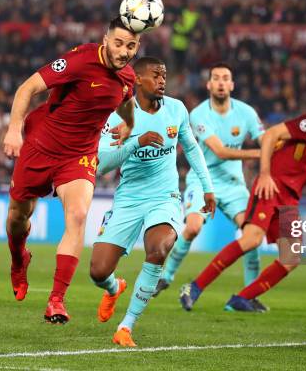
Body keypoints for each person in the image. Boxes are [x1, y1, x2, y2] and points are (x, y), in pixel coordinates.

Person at [3, 16, 139, 323]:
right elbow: (28, 88)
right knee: (17, 218)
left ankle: (56, 301)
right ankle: (18, 259)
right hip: (40, 146)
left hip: (78, 156)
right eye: (118, 43)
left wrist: (129, 124)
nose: (124, 51)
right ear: (106, 41)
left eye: (130, 46)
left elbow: (126, 99)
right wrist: (14, 129)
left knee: (78, 216)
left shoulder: (127, 76)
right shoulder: (79, 60)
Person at [180, 88, 306, 312]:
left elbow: (305, 159)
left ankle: (241, 299)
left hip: (290, 196)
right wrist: (265, 174)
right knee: (251, 240)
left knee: (291, 258)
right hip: (271, 185)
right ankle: (194, 287)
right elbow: (270, 135)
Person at [90, 57, 215, 347]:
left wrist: (208, 188)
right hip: (129, 199)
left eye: (164, 75)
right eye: (155, 76)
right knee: (98, 271)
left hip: (165, 196)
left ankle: (126, 327)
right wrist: (136, 141)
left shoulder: (176, 109)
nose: (162, 81)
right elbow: (101, 164)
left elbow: (193, 150)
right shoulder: (120, 116)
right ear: (137, 80)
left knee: (158, 249)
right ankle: (113, 288)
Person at [154, 63, 265, 310]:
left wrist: (274, 145)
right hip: (203, 181)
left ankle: (248, 295)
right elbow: (221, 151)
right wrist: (262, 153)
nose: (221, 83)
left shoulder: (246, 112)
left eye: (226, 78)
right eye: (216, 78)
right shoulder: (198, 115)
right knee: (192, 227)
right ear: (209, 84)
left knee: (252, 236)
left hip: (235, 185)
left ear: (232, 85)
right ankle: (166, 276)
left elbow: (265, 139)